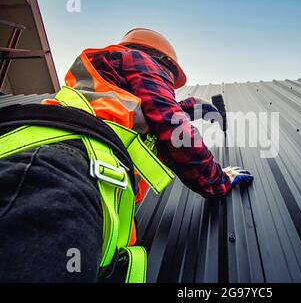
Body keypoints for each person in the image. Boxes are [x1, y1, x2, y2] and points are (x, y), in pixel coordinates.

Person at [0, 28, 253, 283]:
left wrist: (200, 108)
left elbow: (159, 107)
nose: (167, 83)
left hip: (57, 163)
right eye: (168, 76)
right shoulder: (137, 59)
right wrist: (218, 180)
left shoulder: (115, 80)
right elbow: (170, 122)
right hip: (57, 166)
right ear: (158, 59)